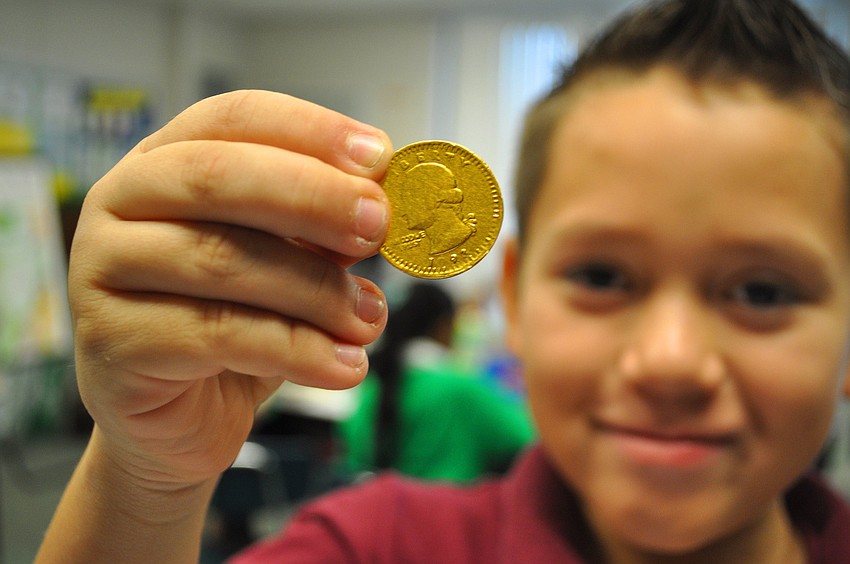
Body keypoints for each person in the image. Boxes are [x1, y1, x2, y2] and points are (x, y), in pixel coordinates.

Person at [35, 0, 850, 562]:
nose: (670, 360)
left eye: (763, 292)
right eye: (602, 275)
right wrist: (149, 474)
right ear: (518, 299)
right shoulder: (378, 547)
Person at [338, 282, 535, 482]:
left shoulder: (373, 386)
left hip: (377, 507)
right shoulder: (460, 388)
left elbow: (353, 454)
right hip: (448, 509)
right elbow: (529, 439)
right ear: (443, 324)